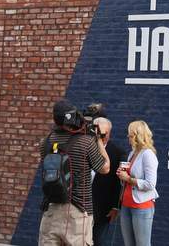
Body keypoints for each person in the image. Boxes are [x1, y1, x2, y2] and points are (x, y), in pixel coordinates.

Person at [38, 99, 110, 246]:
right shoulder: (86, 142)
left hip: (50, 210)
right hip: (78, 212)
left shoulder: (45, 142)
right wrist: (97, 139)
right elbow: (105, 168)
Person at [116, 120, 159, 246]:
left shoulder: (148, 154)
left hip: (141, 206)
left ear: (137, 135)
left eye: (130, 134)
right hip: (126, 204)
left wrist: (128, 179)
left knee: (142, 244)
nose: (128, 137)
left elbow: (150, 184)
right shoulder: (132, 153)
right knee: (129, 244)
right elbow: (127, 179)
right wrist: (122, 175)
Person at [91, 117, 126, 246]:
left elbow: (118, 182)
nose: (101, 136)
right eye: (98, 132)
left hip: (102, 208)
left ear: (109, 133)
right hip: (80, 206)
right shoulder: (82, 147)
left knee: (99, 242)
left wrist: (115, 206)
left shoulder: (118, 153)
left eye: (104, 133)